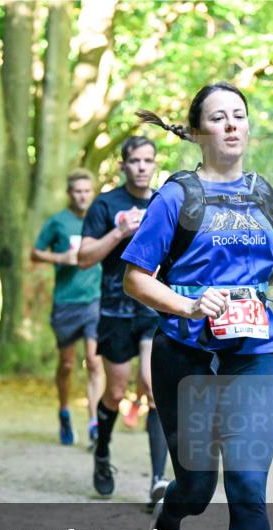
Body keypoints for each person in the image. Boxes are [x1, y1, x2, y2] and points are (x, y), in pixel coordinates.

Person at [121, 82, 273, 530]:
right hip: (186, 357)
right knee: (198, 490)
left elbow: (264, 258)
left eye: (239, 117)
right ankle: (167, 519)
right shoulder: (177, 196)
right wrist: (187, 306)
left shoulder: (261, 193)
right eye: (218, 118)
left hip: (252, 354)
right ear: (198, 131)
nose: (231, 126)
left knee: (248, 489)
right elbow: (136, 277)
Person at [78, 136, 169, 505]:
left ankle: (159, 481)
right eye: (135, 160)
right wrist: (119, 232)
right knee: (115, 393)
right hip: (115, 310)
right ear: (123, 165)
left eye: (149, 160)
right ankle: (102, 453)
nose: (142, 167)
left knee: (153, 387)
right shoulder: (106, 204)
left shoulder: (167, 203)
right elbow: (84, 257)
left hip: (152, 307)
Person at [31, 168, 104, 446]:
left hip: (95, 300)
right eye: (78, 191)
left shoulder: (101, 219)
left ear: (92, 192)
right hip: (65, 301)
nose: (83, 196)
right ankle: (64, 411)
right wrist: (60, 257)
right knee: (67, 364)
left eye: (87, 190)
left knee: (95, 361)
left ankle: (95, 423)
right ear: (69, 194)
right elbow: (35, 252)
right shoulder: (58, 222)